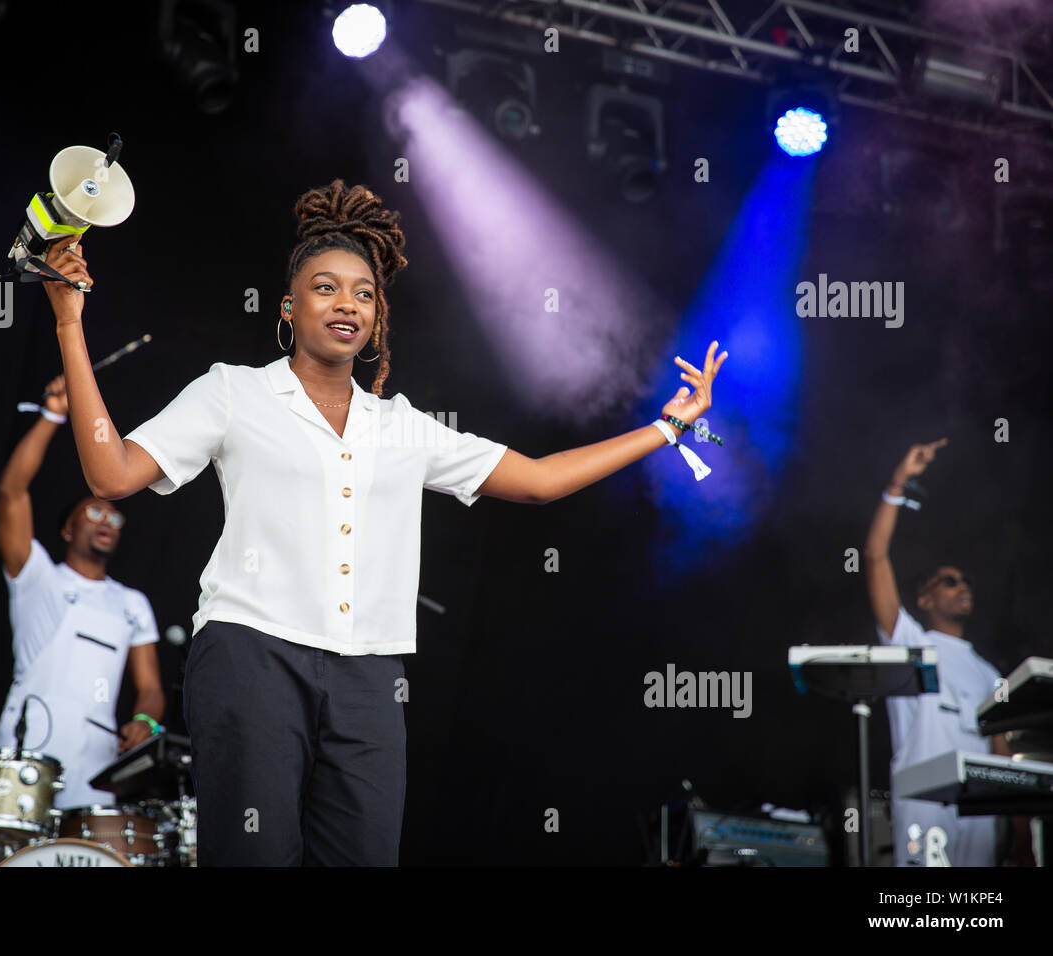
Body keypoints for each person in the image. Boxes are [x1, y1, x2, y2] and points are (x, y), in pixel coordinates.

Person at [43, 179, 727, 865]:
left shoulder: (401, 426)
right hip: (252, 655)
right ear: (288, 305)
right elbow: (113, 473)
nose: (348, 304)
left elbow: (541, 481)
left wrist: (667, 428)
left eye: (364, 293)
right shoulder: (234, 391)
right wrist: (70, 323)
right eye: (326, 288)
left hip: (369, 678)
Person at [0, 374, 166, 810]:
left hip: (97, 768)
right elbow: (11, 492)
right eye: (94, 511)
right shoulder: (38, 577)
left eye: (115, 518)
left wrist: (145, 720)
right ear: (68, 529)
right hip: (27, 755)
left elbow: (150, 688)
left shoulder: (132, 604)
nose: (107, 522)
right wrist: (54, 415)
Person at [864, 439, 1033, 866]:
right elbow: (874, 557)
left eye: (966, 581)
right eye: (949, 581)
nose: (963, 586)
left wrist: (1022, 832)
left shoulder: (988, 672)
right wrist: (898, 483)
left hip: (977, 811)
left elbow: (1003, 753)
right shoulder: (909, 642)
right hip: (923, 802)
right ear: (924, 600)